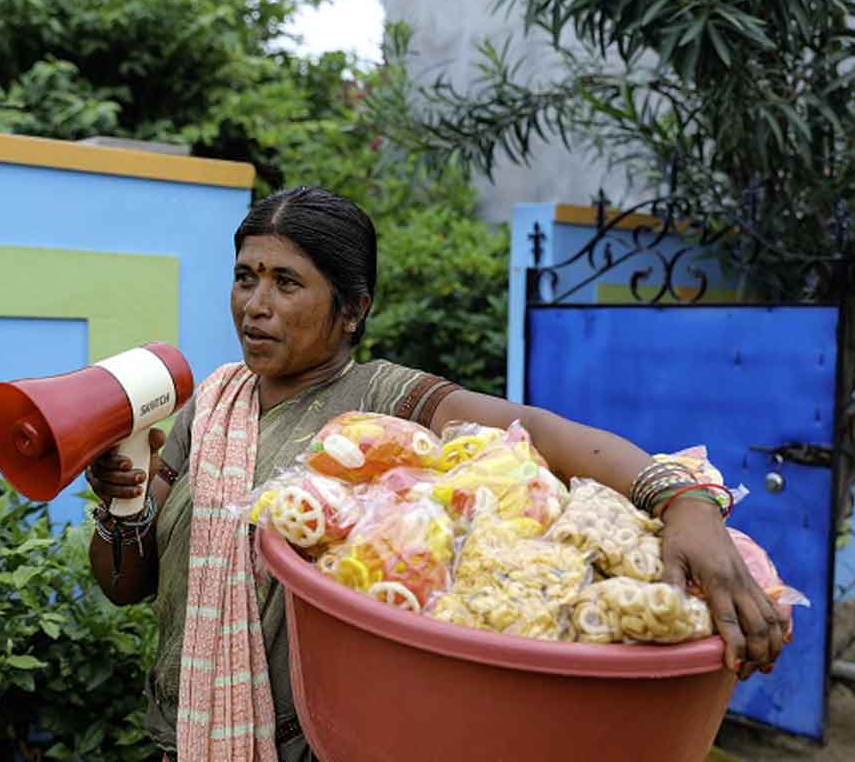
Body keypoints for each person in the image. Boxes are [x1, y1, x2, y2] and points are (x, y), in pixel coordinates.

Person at [86, 186, 785, 762]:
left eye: (286, 282)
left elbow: (540, 431)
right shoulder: (210, 406)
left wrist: (683, 502)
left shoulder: (385, 401)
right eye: (245, 277)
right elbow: (127, 585)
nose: (255, 304)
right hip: (179, 734)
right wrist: (125, 509)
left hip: (313, 744)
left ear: (352, 310)